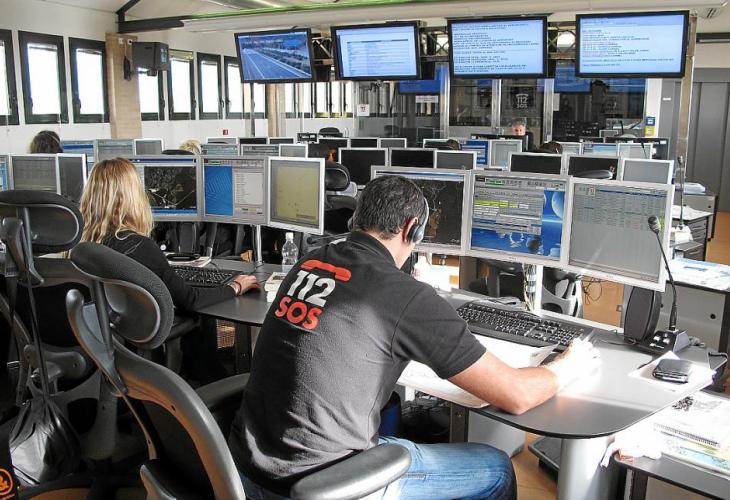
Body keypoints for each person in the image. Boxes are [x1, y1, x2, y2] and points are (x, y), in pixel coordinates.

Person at [229, 175, 601, 499]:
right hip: (325, 483)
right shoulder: (404, 296)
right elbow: (516, 395)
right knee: (496, 467)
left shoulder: (310, 262)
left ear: (357, 219)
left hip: (245, 470)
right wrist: (568, 366)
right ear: (412, 230)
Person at [80, 158, 259, 381]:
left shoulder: (83, 246)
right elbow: (190, 299)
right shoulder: (139, 246)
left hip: (111, 336)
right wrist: (235, 286)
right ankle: (213, 382)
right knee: (198, 316)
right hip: (144, 331)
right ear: (131, 197)